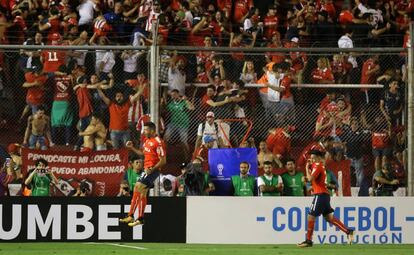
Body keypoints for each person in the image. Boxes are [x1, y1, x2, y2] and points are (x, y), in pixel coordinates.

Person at [297, 150, 354, 248]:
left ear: (319, 158)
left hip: (320, 195)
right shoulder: (317, 166)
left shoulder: (318, 165)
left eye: (314, 157)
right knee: (329, 218)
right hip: (324, 195)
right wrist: (309, 169)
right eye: (311, 157)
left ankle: (308, 240)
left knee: (311, 216)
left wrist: (306, 169)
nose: (312, 159)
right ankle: (348, 231)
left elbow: (310, 179)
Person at [120, 122, 166, 227]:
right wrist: (132, 148)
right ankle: (140, 218)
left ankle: (130, 215)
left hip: (152, 170)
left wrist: (152, 169)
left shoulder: (158, 142)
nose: (144, 132)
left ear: (152, 130)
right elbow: (143, 154)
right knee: (142, 193)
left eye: (146, 130)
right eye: (144, 130)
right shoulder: (146, 141)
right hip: (147, 169)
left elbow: (163, 161)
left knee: (137, 186)